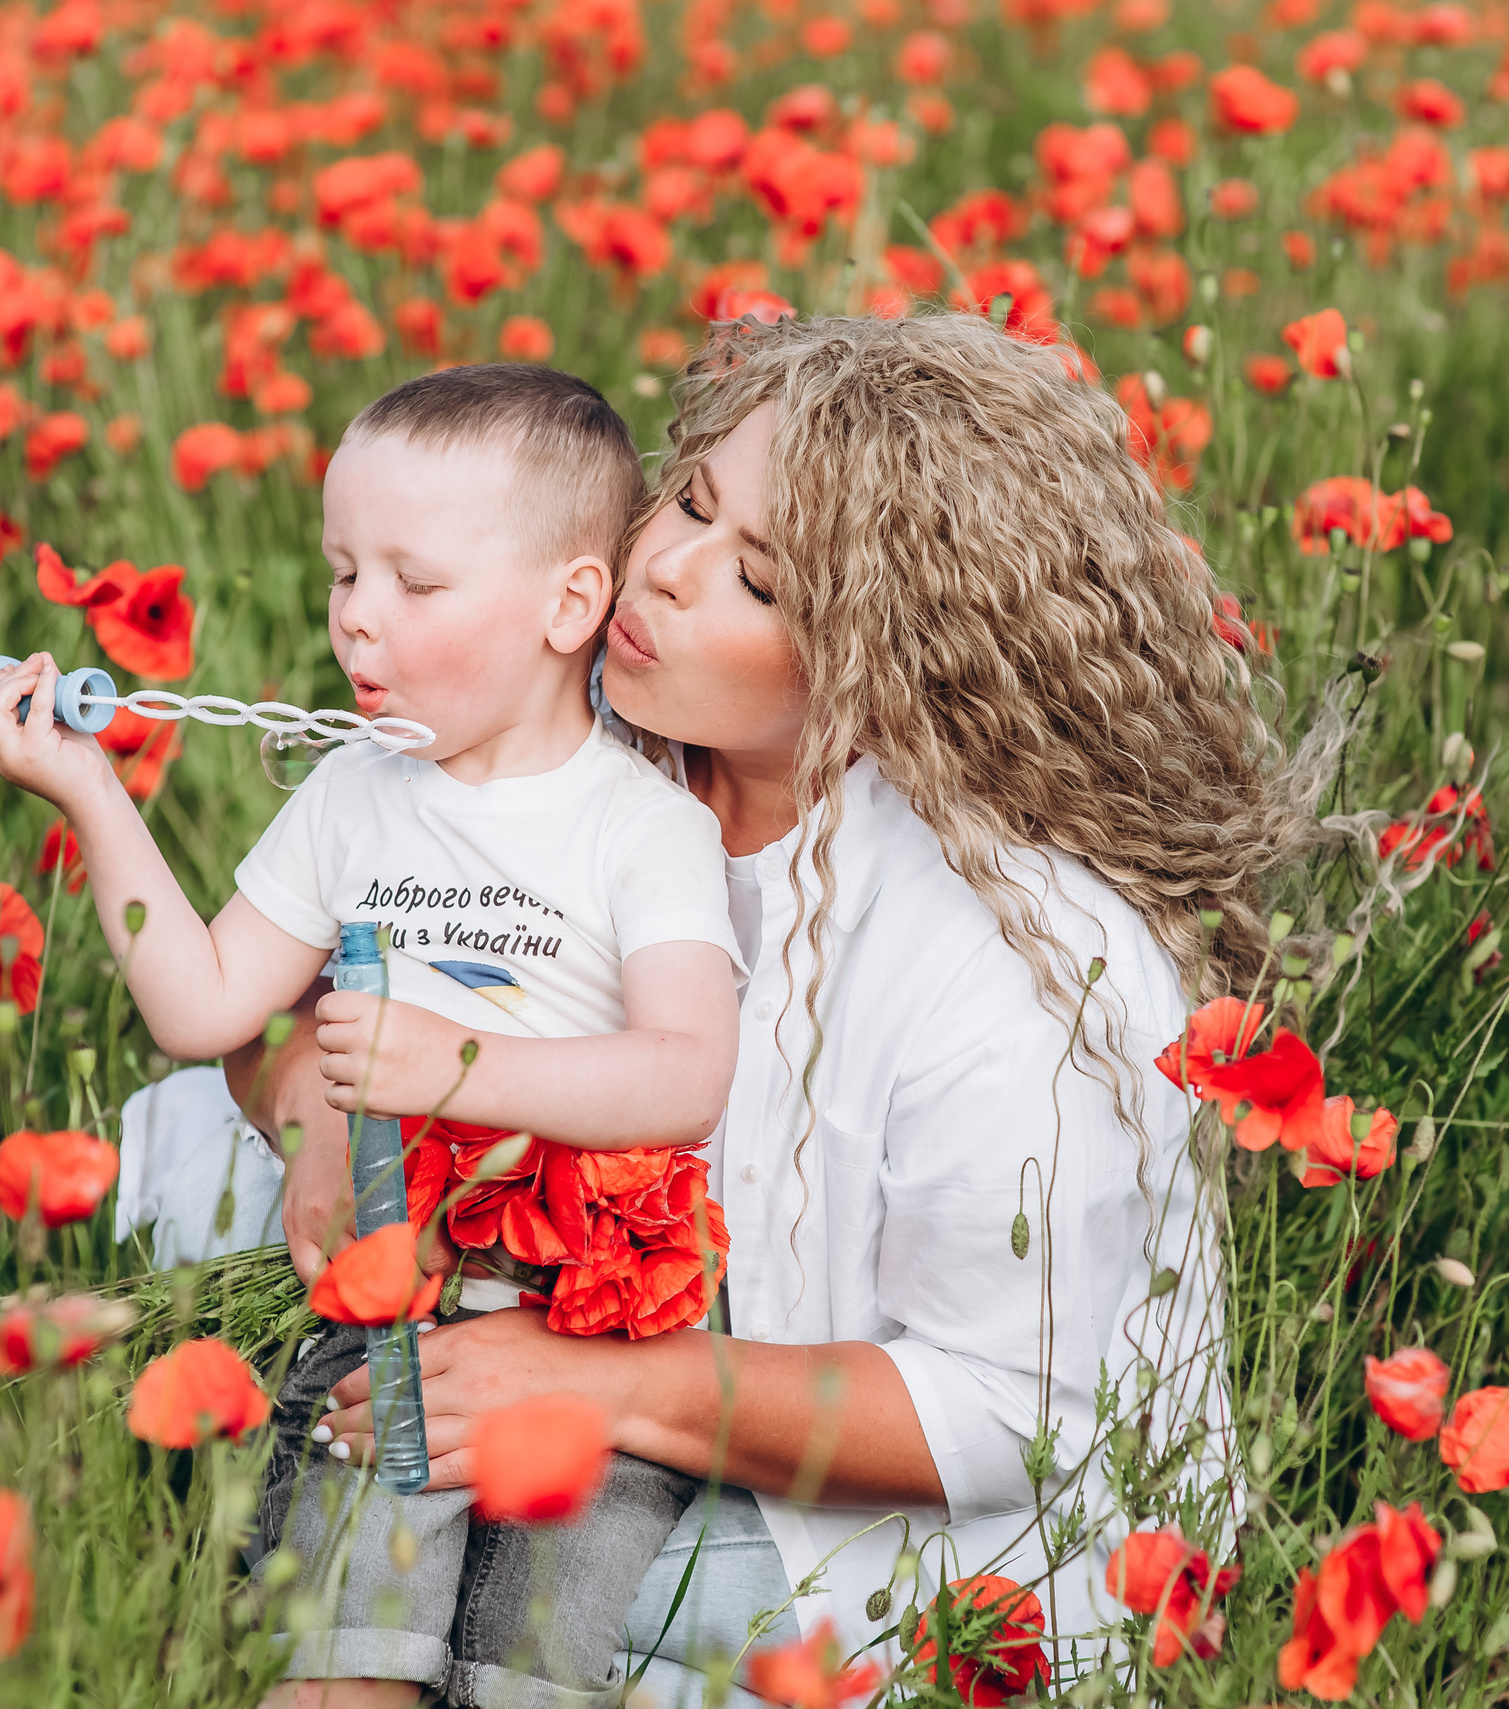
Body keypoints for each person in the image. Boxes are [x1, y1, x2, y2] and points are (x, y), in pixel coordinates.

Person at [225, 312, 1319, 1708]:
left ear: (891, 658)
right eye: (687, 499)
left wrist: (597, 1388)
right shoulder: (575, 750)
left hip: (913, 1524)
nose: (663, 569)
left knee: (572, 1632)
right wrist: (313, 1100)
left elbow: (1002, 1414)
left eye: (755, 577)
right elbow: (278, 1001)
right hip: (561, 1339)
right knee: (349, 1501)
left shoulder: (1023, 961)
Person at [0, 363, 748, 1704]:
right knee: (342, 1669)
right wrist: (89, 792)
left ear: (570, 605)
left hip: (592, 1343)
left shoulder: (642, 826)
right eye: (343, 575)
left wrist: (441, 1059)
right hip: (384, 1315)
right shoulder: (352, 795)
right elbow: (204, 1002)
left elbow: (686, 1073)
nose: (356, 621)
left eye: (415, 584)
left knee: (530, 1677)